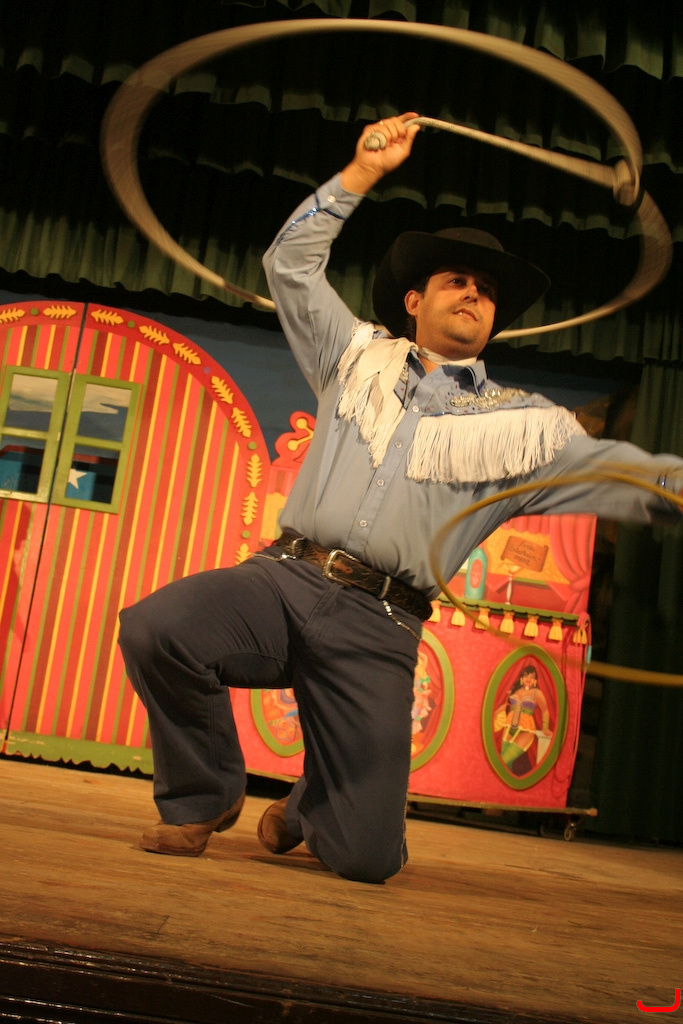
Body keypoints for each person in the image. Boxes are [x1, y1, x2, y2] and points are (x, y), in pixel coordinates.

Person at [118, 113, 683, 884]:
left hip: (378, 626)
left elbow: (635, 477)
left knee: (366, 860)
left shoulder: (528, 430)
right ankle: (200, 798)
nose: (474, 293)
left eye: (487, 291)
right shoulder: (353, 356)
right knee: (157, 627)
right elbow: (289, 265)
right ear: (413, 300)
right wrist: (362, 172)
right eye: (457, 281)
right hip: (282, 581)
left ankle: (312, 802)